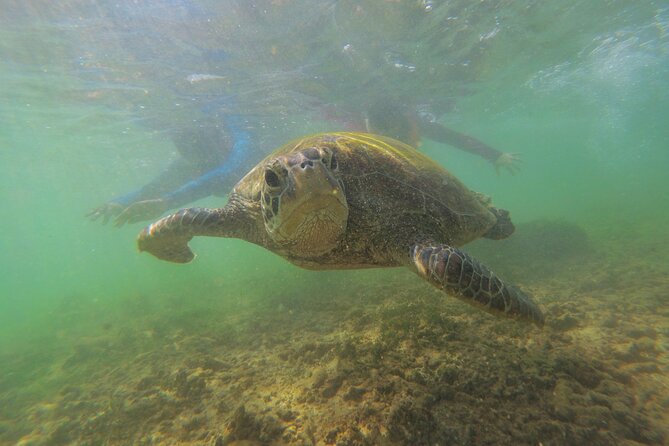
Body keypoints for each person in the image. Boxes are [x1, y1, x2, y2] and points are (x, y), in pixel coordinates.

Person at [88, 115, 252, 226]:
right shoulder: (193, 160)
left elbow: (227, 173)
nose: (197, 169)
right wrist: (120, 202)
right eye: (193, 161)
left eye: (203, 160)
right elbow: (159, 185)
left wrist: (168, 202)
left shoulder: (244, 144)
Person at [364, 97, 521, 175]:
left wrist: (494, 155)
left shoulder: (415, 123)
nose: (390, 134)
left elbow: (456, 139)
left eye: (393, 127)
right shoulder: (361, 133)